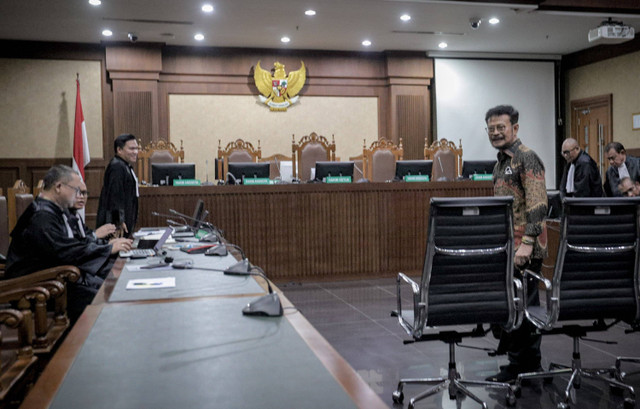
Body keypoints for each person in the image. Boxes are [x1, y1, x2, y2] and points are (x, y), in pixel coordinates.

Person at [5, 165, 132, 321]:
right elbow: (64, 251)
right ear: (59, 187)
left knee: (111, 284)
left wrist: (107, 249)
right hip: (34, 288)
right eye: (75, 189)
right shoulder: (42, 216)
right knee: (106, 293)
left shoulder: (54, 211)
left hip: (53, 278)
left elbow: (73, 244)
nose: (79, 195)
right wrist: (107, 249)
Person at [484, 105, 547, 383]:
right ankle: (518, 363)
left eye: (501, 127)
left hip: (526, 249)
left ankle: (527, 367)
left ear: (515, 129)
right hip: (510, 247)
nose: (496, 133)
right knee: (514, 305)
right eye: (491, 129)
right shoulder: (501, 162)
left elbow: (538, 204)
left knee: (526, 307)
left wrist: (528, 244)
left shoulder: (527, 158)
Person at [97, 133, 140, 237]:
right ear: (119, 150)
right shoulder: (117, 167)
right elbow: (115, 196)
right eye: (131, 149)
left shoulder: (124, 165)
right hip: (115, 225)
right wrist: (118, 222)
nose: (136, 152)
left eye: (137, 148)